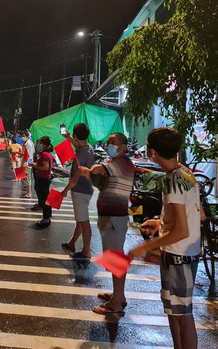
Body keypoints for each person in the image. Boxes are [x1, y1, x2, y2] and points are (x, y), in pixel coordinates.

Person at [128, 128, 203, 349]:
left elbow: (182, 231)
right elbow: (199, 215)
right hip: (184, 254)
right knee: (174, 311)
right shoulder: (185, 173)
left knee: (182, 315)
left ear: (151, 153)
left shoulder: (172, 181)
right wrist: (160, 223)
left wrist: (146, 246)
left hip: (178, 255)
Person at [79, 132, 135, 315]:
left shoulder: (121, 162)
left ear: (123, 147)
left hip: (113, 217)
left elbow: (98, 169)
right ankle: (119, 295)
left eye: (113, 143)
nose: (109, 145)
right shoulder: (118, 162)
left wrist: (91, 170)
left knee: (115, 259)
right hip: (111, 217)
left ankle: (116, 303)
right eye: (108, 142)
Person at [59, 123, 95, 260]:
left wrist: (64, 191)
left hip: (80, 190)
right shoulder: (87, 148)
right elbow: (78, 145)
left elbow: (75, 178)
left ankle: (86, 251)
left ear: (75, 135)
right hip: (85, 190)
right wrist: (68, 137)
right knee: (80, 220)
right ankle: (71, 243)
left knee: (83, 222)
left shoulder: (81, 153)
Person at [28, 136, 54, 228]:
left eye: (41, 144)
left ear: (45, 145)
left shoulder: (45, 155)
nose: (39, 145)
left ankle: (46, 219)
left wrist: (34, 165)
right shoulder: (47, 153)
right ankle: (47, 217)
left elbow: (46, 167)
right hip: (45, 178)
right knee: (46, 198)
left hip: (43, 178)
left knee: (44, 199)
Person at [20, 131, 35, 198]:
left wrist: (18, 153)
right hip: (28, 162)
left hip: (27, 163)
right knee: (27, 178)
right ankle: (28, 192)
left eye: (24, 136)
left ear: (27, 136)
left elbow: (26, 154)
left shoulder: (28, 144)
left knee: (27, 179)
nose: (23, 138)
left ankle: (29, 193)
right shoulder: (29, 143)